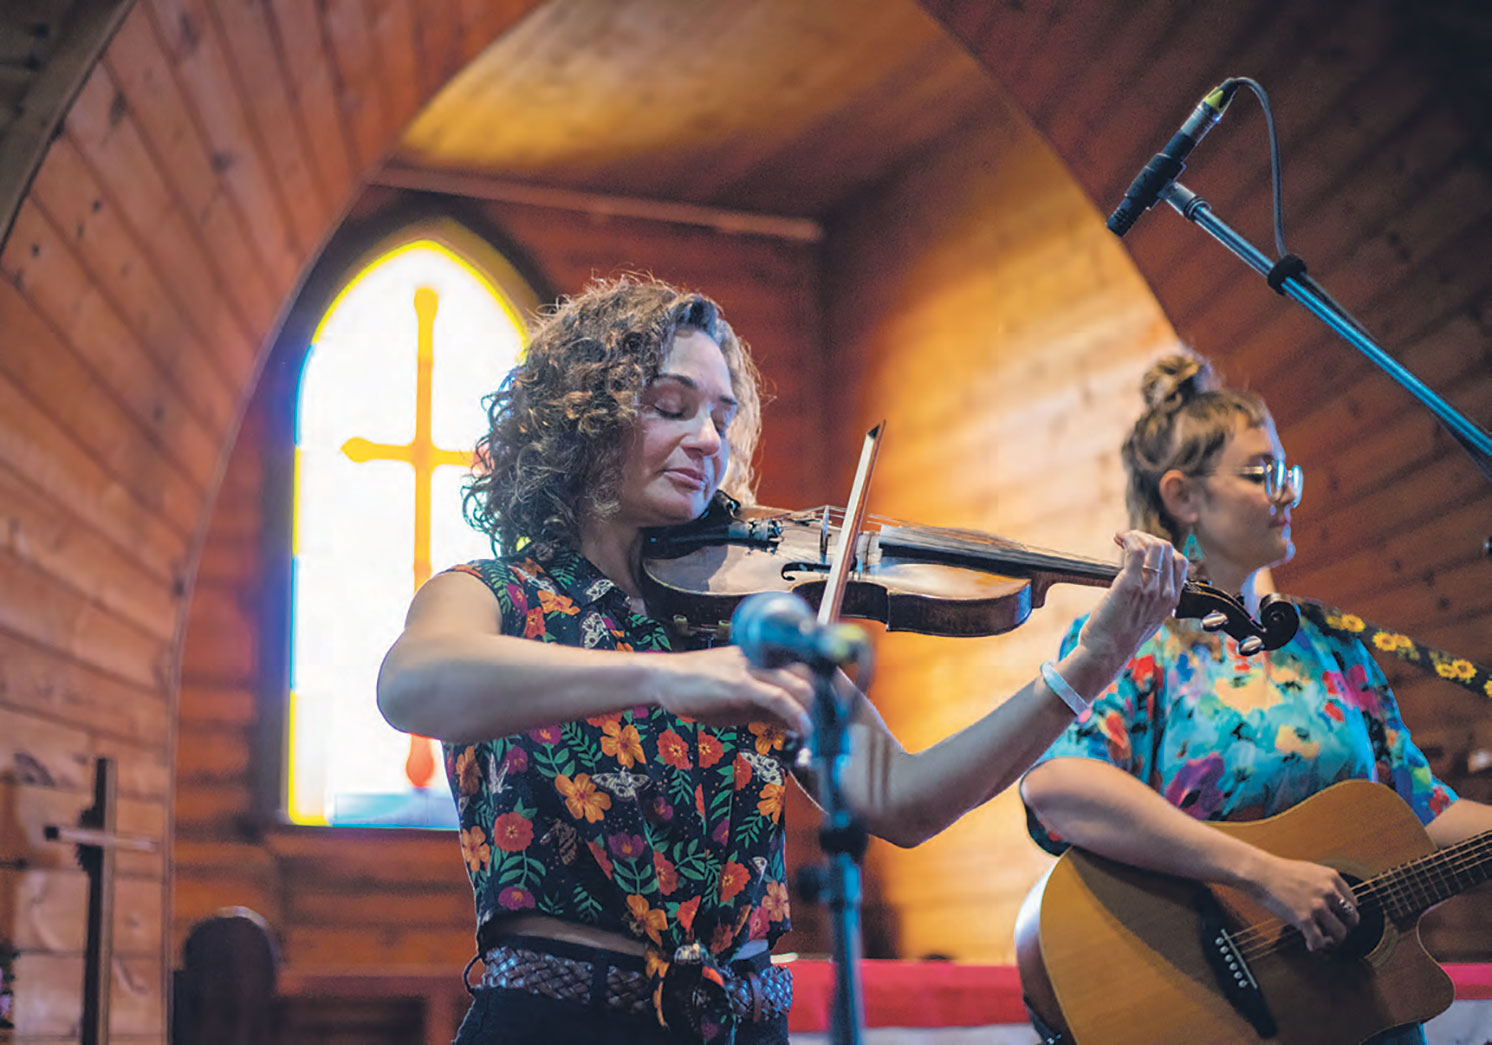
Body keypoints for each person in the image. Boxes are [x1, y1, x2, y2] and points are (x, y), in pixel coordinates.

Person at [377, 275, 1186, 1045]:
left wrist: (1090, 664)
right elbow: (413, 684)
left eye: (723, 418)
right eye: (671, 407)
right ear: (583, 420)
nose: (709, 440)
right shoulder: (497, 595)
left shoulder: (738, 622)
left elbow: (902, 800)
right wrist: (666, 677)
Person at [1020, 352, 1492, 1045]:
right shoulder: (1137, 642)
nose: (1287, 492)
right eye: (1260, 473)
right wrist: (1266, 874)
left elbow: (1424, 810)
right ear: (1184, 496)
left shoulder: (1335, 648)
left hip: (1358, 1012)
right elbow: (1058, 786)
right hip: (1208, 1011)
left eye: (1287, 472)